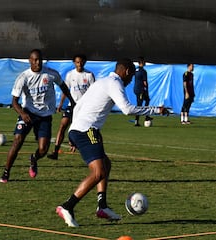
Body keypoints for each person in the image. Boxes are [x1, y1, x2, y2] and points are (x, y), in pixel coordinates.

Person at [55, 58, 169, 227]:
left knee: (106, 165)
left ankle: (102, 207)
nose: (130, 81)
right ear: (127, 72)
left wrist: (74, 131)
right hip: (87, 130)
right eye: (131, 77)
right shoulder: (115, 83)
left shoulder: (102, 81)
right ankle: (67, 206)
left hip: (81, 129)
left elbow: (79, 106)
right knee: (98, 173)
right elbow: (127, 109)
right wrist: (155, 110)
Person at [0, 49, 76, 183]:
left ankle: (34, 158)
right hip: (28, 113)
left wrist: (73, 102)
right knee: (17, 141)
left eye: (39, 59)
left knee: (43, 149)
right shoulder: (23, 77)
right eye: (35, 60)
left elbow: (64, 87)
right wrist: (22, 114)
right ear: (30, 61)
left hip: (45, 116)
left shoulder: (51, 74)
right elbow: (14, 102)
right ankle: (6, 172)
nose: (38, 62)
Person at [47, 54, 95, 160]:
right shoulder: (70, 75)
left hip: (84, 107)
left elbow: (93, 92)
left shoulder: (89, 75)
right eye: (77, 62)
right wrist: (60, 104)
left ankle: (82, 148)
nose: (79, 64)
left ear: (85, 62)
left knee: (81, 129)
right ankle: (55, 151)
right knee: (63, 125)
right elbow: (66, 90)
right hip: (72, 105)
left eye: (81, 62)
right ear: (74, 63)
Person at [133, 56, 151, 127]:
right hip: (141, 90)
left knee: (146, 100)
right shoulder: (143, 71)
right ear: (142, 62)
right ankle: (139, 120)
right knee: (139, 105)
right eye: (144, 61)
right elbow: (145, 82)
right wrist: (146, 89)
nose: (145, 63)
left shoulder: (136, 70)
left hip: (136, 89)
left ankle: (146, 116)